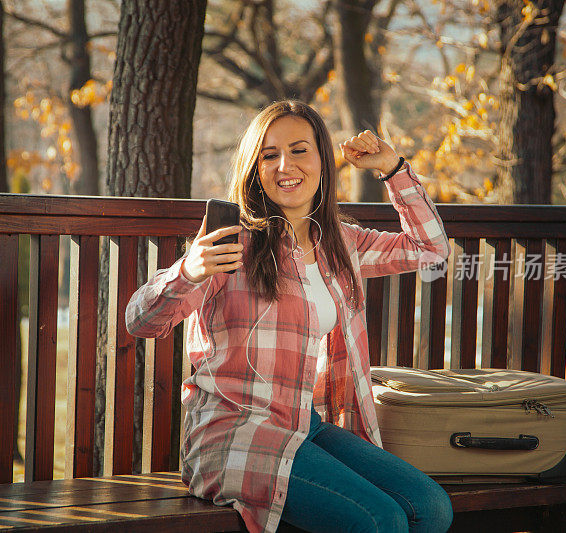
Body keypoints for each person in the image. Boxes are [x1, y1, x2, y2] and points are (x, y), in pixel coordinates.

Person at [126, 100, 453, 533]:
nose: (285, 165)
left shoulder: (342, 243)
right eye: (269, 154)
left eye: (300, 150)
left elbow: (430, 249)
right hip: (232, 431)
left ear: (322, 160)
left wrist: (392, 168)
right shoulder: (232, 244)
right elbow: (141, 321)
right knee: (381, 520)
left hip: (304, 424)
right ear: (255, 168)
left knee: (430, 508)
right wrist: (188, 270)